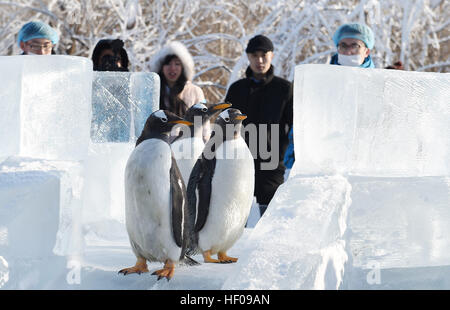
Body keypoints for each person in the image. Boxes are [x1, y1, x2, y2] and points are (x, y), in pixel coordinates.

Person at [283, 23, 376, 176]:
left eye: (355, 45)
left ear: (367, 51)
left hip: (364, 167)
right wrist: (293, 161)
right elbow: (303, 124)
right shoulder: (320, 82)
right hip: (323, 166)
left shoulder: (377, 85)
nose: (348, 51)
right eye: (343, 46)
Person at [224, 34, 293, 217]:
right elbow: (224, 126)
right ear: (248, 57)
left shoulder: (284, 89)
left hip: (271, 164)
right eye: (255, 55)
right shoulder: (237, 89)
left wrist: (285, 155)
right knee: (235, 217)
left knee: (270, 220)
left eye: (264, 55)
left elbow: (295, 127)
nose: (260, 60)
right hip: (238, 162)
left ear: (272, 55)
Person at [149, 41, 205, 117]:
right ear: (161, 68)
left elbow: (203, 124)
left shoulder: (195, 92)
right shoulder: (152, 92)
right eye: (168, 64)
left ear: (183, 68)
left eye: (177, 64)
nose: (172, 68)